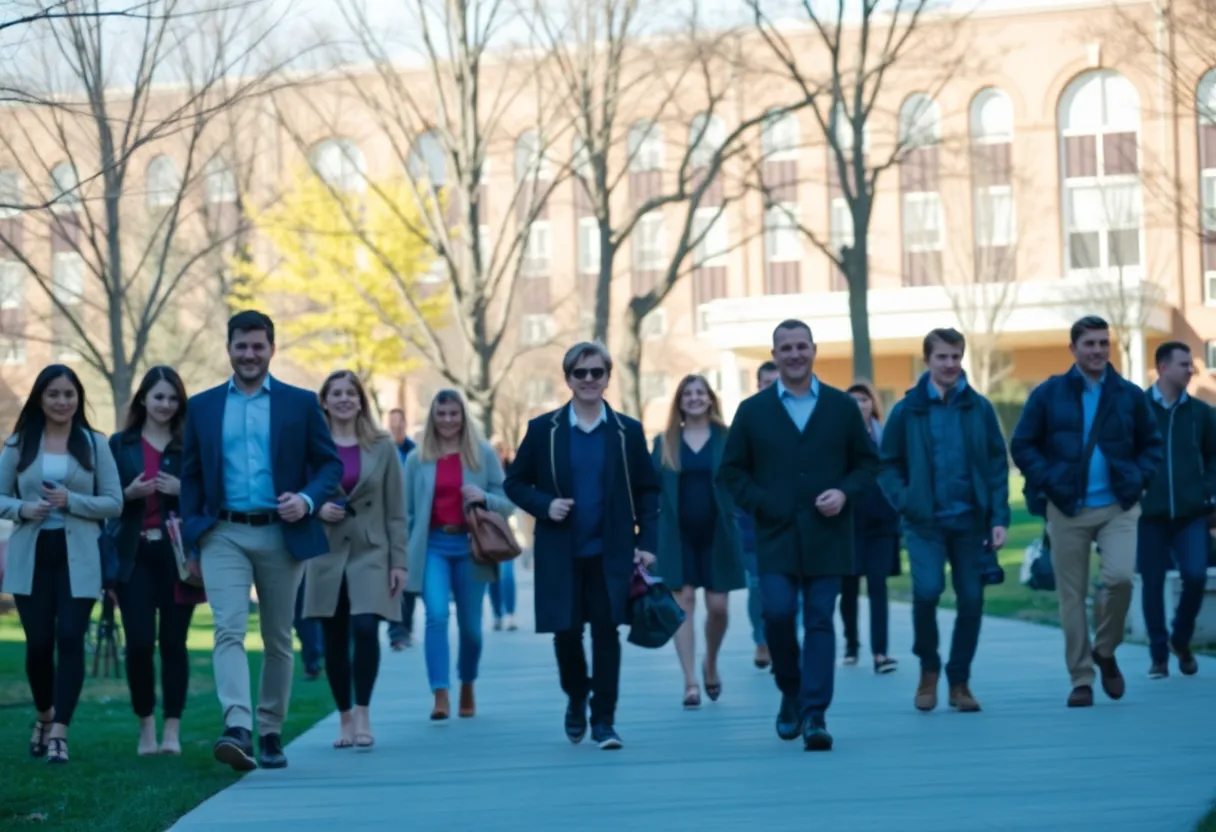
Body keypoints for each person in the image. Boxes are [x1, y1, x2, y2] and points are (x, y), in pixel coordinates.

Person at [180, 310, 343, 771]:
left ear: (272, 348)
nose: (249, 354)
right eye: (241, 346)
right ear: (228, 348)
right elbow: (190, 475)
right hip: (223, 533)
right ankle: (237, 725)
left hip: (281, 531)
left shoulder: (300, 403)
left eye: (258, 346)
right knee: (228, 629)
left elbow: (329, 465)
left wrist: (308, 501)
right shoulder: (204, 406)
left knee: (276, 637)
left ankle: (270, 730)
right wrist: (194, 537)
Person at [718, 320, 878, 752]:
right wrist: (764, 502)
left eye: (801, 346)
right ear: (774, 354)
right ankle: (790, 688)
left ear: (814, 350)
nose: (794, 354)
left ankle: (814, 715)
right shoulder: (753, 411)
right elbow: (731, 472)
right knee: (778, 614)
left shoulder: (842, 408)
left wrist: (844, 493)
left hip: (829, 536)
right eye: (785, 348)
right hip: (776, 535)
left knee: (821, 620)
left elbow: (867, 465)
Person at [504, 341, 659, 751]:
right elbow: (515, 483)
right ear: (568, 378)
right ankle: (577, 695)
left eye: (597, 372)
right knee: (566, 635)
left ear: (608, 377)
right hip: (560, 552)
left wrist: (648, 543)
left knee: (607, 634)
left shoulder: (628, 431)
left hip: (611, 553)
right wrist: (546, 504)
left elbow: (648, 491)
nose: (589, 380)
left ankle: (604, 721)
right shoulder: (544, 430)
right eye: (580, 373)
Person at [1010, 315, 1162, 708]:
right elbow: (1023, 444)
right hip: (1067, 508)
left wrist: (1140, 477)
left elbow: (1152, 444)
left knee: (1121, 579)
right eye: (1089, 343)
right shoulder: (1049, 394)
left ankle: (1105, 650)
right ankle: (1081, 678)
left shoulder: (1129, 395)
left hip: (1118, 505)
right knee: (1071, 597)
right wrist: (1051, 482)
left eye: (1102, 343)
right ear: (1073, 348)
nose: (1097, 350)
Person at [878, 330, 1011, 712]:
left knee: (971, 599)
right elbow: (887, 464)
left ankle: (959, 681)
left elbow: (997, 464)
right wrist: (907, 503)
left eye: (956, 356)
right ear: (927, 361)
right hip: (925, 524)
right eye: (942, 357)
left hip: (971, 523)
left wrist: (998, 516)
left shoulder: (979, 408)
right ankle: (928, 669)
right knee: (928, 591)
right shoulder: (908, 410)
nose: (950, 364)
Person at [0, 365, 123, 764]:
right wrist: (22, 508)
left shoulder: (93, 443)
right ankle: (43, 715)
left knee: (70, 638)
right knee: (38, 644)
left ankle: (60, 732)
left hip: (79, 556)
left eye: (69, 394)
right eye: (53, 393)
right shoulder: (20, 443)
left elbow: (114, 501)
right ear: (40, 397)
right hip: (32, 554)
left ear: (78, 398)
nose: (61, 401)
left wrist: (73, 502)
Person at [303, 371, 408, 749]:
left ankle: (364, 711)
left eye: (351, 393)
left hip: (372, 551)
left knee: (365, 628)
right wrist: (316, 510)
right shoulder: (311, 444)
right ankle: (344, 717)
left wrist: (400, 562)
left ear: (362, 400)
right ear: (325, 402)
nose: (345, 399)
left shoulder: (382, 446)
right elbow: (296, 494)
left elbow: (396, 509)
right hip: (326, 552)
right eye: (336, 393)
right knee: (333, 636)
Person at [108, 366, 202, 756]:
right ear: (143, 399)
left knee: (174, 644)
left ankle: (172, 732)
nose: (165, 404)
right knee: (141, 642)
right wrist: (127, 493)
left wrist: (184, 489)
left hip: (178, 557)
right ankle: (146, 726)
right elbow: (104, 499)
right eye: (158, 396)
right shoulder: (120, 444)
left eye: (172, 397)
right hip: (134, 556)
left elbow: (210, 495)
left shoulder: (190, 445)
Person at [403, 389, 513, 721]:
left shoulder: (482, 454)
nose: (448, 420)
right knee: (435, 617)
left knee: (471, 628)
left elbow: (507, 502)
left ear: (463, 416)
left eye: (454, 414)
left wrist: (484, 497)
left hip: (471, 548)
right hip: (433, 547)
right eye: (442, 414)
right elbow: (407, 513)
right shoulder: (416, 458)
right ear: (432, 417)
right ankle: (440, 692)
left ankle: (467, 682)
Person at [651, 374, 744, 709]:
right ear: (679, 401)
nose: (694, 398)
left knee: (718, 608)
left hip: (718, 534)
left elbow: (742, 479)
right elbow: (651, 491)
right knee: (684, 601)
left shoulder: (727, 438)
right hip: (677, 536)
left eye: (699, 393)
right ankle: (690, 680)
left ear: (710, 399)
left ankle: (711, 663)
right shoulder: (665, 442)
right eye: (687, 393)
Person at [1137, 342, 1216, 679]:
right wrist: (1133, 488)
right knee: (1151, 583)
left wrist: (1208, 492)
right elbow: (1121, 452)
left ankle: (1180, 640)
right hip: (1148, 513)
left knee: (1196, 575)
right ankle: (1158, 656)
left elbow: (1215, 458)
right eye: (1185, 364)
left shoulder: (1202, 413)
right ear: (1163, 368)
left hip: (1191, 513)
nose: (1192, 370)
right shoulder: (1137, 408)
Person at [841, 381, 901, 674]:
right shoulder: (837, 439)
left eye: (863, 400)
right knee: (849, 588)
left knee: (878, 586)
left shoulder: (885, 436)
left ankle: (881, 653)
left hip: (882, 522)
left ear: (872, 404)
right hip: (848, 523)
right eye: (852, 401)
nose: (858, 406)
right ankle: (851, 644)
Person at [737, 361, 779, 670]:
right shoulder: (747, 418)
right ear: (758, 386)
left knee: (793, 588)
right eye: (767, 383)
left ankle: (787, 639)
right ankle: (762, 640)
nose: (773, 389)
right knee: (757, 586)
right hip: (752, 521)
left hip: (792, 522)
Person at [386, 408, 419, 651]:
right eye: (392, 425)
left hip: (411, 521)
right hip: (386, 519)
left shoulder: (415, 452)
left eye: (399, 425)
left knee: (407, 577)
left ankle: (404, 628)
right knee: (392, 576)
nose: (396, 428)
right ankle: (396, 631)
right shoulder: (383, 450)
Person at [488, 441, 519, 632]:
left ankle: (510, 614)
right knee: (492, 575)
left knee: (507, 573)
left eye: (499, 451)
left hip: (506, 530)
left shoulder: (510, 474)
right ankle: (497, 614)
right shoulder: (482, 474)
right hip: (487, 531)